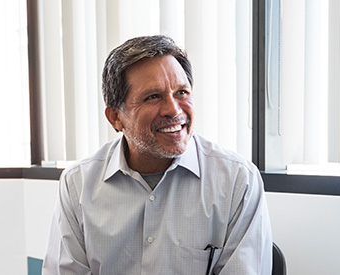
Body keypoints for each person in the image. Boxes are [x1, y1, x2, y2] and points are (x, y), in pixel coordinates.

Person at [42, 35, 272, 274]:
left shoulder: (237, 181)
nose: (173, 109)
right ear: (115, 117)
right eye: (153, 96)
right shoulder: (78, 184)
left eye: (182, 92)